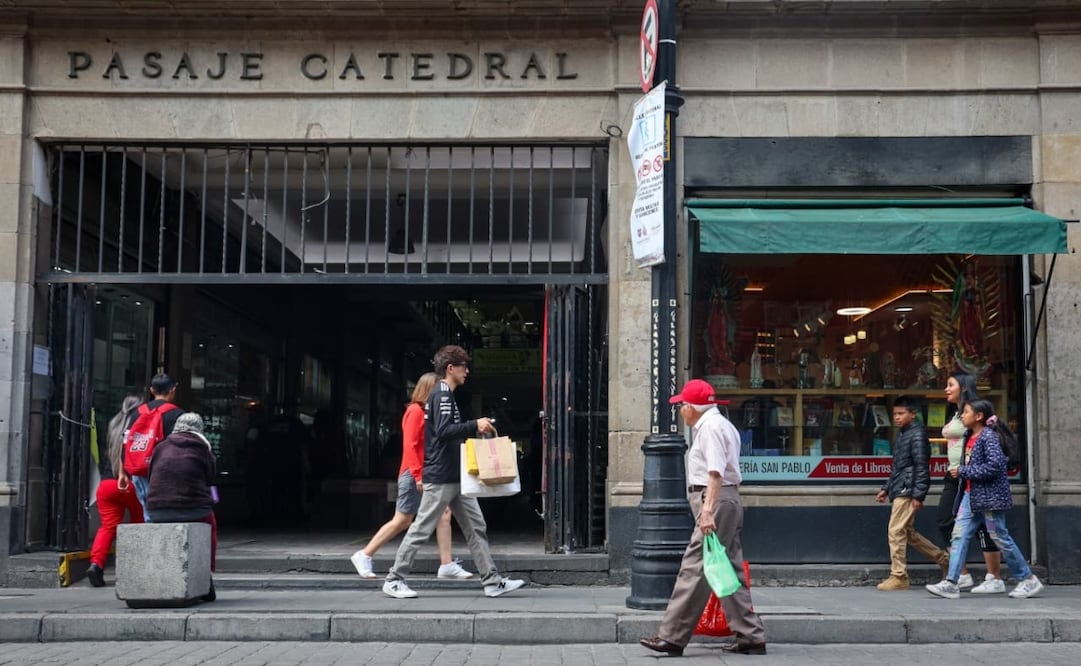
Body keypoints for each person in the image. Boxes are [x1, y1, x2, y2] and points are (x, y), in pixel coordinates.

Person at [382, 345, 525, 599]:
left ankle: (492, 581)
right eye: (463, 367)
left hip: (455, 475)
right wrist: (474, 424)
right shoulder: (443, 395)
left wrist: (471, 427)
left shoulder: (443, 394)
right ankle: (394, 579)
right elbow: (444, 431)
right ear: (450, 368)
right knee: (422, 528)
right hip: (442, 475)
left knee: (475, 525)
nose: (467, 371)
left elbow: (446, 430)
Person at [639, 379, 767, 657]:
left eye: (682, 404)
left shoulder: (709, 429)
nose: (681, 410)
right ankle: (750, 636)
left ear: (693, 407)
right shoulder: (721, 425)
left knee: (695, 566)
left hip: (715, 501)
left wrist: (707, 510)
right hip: (725, 500)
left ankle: (672, 636)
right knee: (728, 568)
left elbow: (715, 474)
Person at [350, 372, 473, 580]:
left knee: (443, 516)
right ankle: (364, 554)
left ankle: (447, 564)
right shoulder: (415, 412)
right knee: (403, 520)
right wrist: (417, 475)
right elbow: (410, 446)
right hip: (414, 474)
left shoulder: (426, 412)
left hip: (425, 473)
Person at [926, 399, 1043, 600]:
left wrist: (962, 471)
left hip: (989, 498)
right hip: (970, 497)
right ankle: (951, 582)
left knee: (1000, 537)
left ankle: (1028, 579)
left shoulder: (988, 437)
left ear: (978, 416)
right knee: (959, 536)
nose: (962, 415)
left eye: (966, 412)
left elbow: (995, 466)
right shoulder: (969, 435)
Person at [874, 396, 949, 590]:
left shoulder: (916, 435)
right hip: (902, 486)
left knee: (896, 531)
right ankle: (944, 560)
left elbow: (922, 466)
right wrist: (886, 488)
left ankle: (899, 575)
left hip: (907, 489)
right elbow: (899, 467)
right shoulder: (904, 434)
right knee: (908, 533)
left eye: (901, 413)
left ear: (913, 414)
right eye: (894, 414)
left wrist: (918, 495)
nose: (896, 418)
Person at [937, 372, 1002, 593]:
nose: (946, 389)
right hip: (954, 475)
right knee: (946, 521)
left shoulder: (974, 411)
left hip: (973, 476)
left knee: (987, 527)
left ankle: (994, 576)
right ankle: (961, 574)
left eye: (950, 385)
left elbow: (986, 438)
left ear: (964, 387)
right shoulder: (955, 413)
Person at [145, 412, 219, 602]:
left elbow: (151, 474)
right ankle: (206, 578)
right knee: (210, 527)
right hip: (194, 508)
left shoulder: (160, 447)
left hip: (157, 509)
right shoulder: (203, 449)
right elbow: (211, 479)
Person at [86, 394, 146, 587]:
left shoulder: (113, 424)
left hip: (107, 484)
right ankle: (133, 567)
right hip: (130, 482)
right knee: (139, 524)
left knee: (108, 527)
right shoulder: (139, 424)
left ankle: (96, 564)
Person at [118, 373, 184, 520]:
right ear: (173, 390)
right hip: (165, 471)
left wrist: (122, 472)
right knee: (166, 515)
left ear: (152, 390)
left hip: (139, 470)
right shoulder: (177, 414)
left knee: (148, 513)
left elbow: (126, 441)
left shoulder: (137, 413)